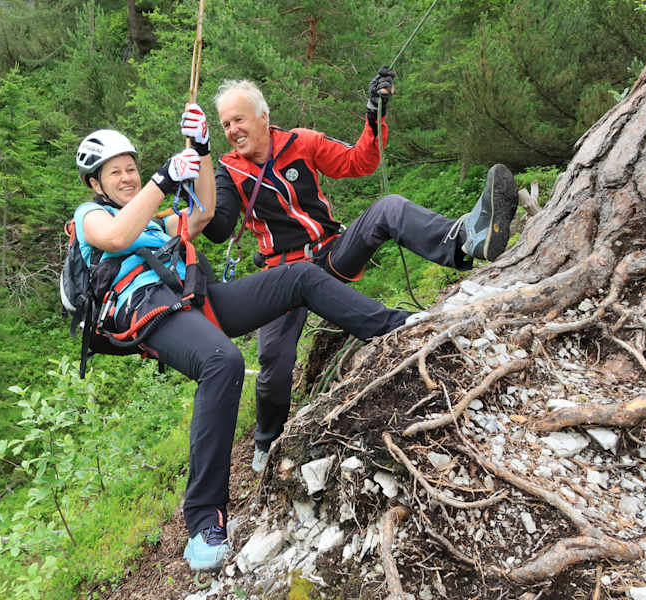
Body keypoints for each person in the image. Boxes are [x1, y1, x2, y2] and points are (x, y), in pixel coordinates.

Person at [73, 105, 414, 571]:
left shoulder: (153, 223)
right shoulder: (90, 216)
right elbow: (115, 236)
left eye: (131, 168)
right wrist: (162, 179)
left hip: (193, 299)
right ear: (96, 183)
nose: (127, 177)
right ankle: (203, 524)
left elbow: (204, 215)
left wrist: (202, 151)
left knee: (298, 277)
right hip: (146, 309)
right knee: (223, 361)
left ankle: (395, 327)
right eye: (115, 172)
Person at [202, 69, 520, 473]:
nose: (232, 130)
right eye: (225, 124)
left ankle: (466, 238)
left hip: (331, 253)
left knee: (388, 208)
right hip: (281, 275)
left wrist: (374, 115)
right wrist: (198, 167)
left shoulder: (301, 142)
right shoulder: (229, 171)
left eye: (239, 119)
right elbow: (220, 226)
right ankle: (267, 442)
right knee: (274, 365)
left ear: (263, 117)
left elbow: (359, 161)